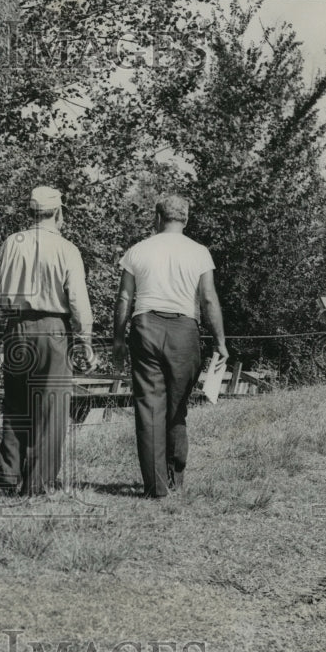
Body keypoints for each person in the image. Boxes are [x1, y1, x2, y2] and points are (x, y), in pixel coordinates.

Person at [0, 186, 95, 498]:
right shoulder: (67, 248)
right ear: (58, 213)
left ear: (29, 212)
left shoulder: (11, 244)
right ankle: (36, 485)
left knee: (16, 404)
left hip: (16, 327)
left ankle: (7, 477)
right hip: (52, 329)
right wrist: (84, 342)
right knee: (51, 410)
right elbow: (78, 302)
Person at [113, 195, 227, 498]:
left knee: (149, 408)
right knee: (177, 408)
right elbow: (208, 299)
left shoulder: (138, 250)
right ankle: (176, 478)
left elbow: (124, 298)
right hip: (183, 331)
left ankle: (156, 488)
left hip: (145, 327)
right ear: (186, 219)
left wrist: (118, 339)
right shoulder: (199, 252)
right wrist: (220, 342)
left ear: (157, 218)